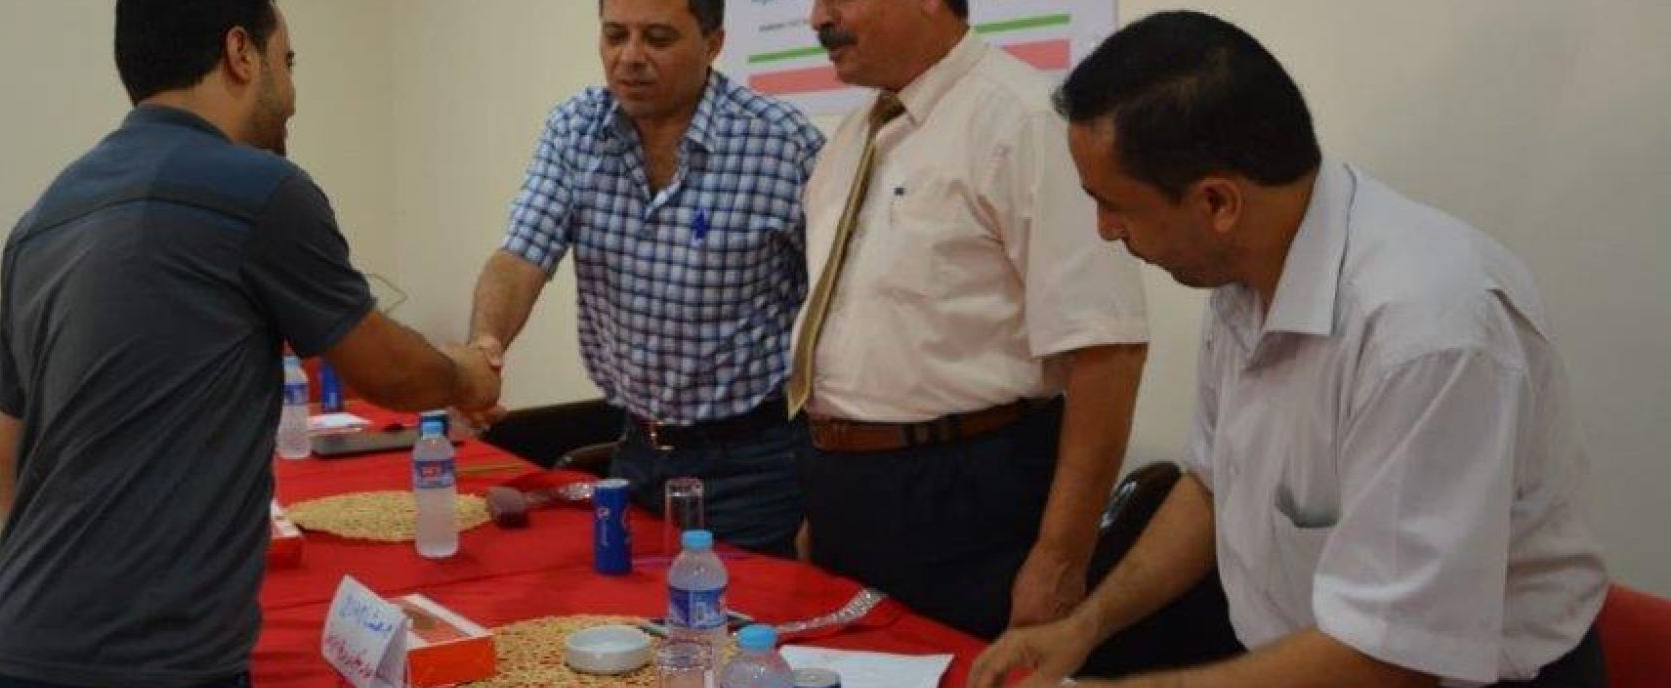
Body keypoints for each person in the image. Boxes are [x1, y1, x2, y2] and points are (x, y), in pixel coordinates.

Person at [969, 11, 1608, 688]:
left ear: (1218, 202)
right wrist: (1086, 625)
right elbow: (1212, 487)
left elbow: (1395, 654)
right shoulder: (1244, 274)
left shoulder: (1425, 334)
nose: (1105, 230)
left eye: (1114, 205)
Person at [0, 2, 500, 686]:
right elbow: (389, 373)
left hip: (10, 641)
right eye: (288, 62)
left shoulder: (41, 219)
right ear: (240, 53)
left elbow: (8, 453)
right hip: (154, 662)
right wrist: (468, 375)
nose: (294, 95)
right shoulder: (260, 190)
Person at [789, 0, 1149, 640]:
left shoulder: (1025, 122)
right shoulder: (854, 137)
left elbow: (1107, 349)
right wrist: (831, 491)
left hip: (967, 491)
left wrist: (1060, 559)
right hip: (847, 488)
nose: (819, 19)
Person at [466, 0, 824, 556]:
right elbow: (520, 255)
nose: (629, 57)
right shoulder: (576, 128)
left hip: (755, 463)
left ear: (712, 44)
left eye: (657, 38)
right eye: (615, 35)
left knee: (735, 607)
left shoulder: (782, 145)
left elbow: (837, 305)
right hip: (637, 448)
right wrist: (484, 348)